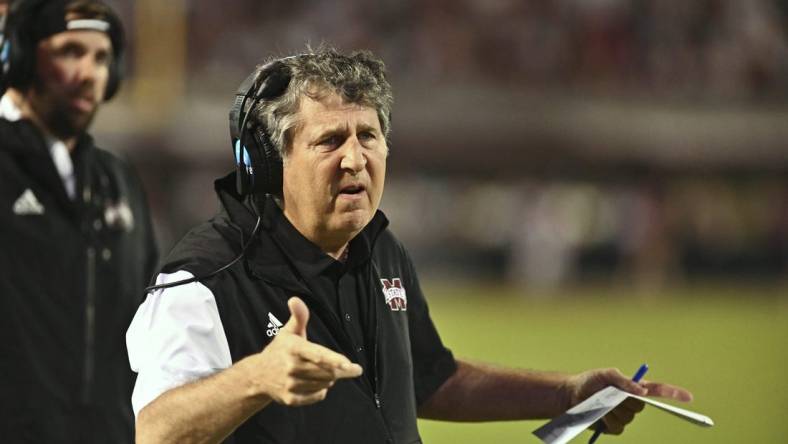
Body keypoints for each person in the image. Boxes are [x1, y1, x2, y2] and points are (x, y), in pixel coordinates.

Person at [127, 48, 691, 444]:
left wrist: (566, 394)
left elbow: (426, 378)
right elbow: (153, 432)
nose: (355, 159)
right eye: (329, 140)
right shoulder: (205, 276)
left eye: (367, 136)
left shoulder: (381, 249)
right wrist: (257, 378)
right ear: (270, 165)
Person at [0, 0, 157, 442]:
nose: (89, 72)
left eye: (102, 57)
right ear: (21, 55)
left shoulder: (117, 180)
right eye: (70, 51)